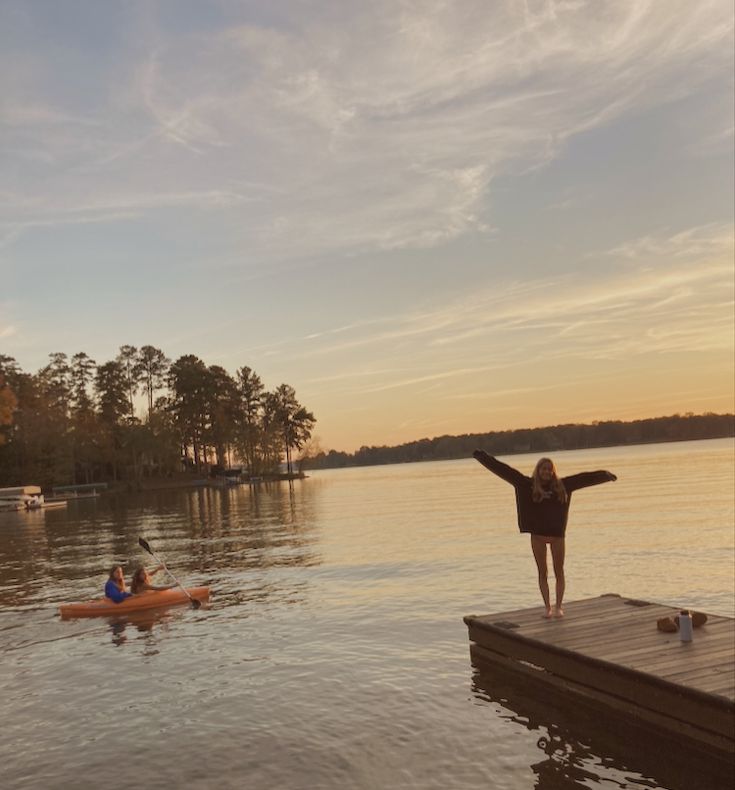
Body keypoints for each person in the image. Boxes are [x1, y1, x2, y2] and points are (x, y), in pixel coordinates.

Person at [473, 450, 617, 619]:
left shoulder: (563, 485)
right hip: (538, 536)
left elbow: (583, 478)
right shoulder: (527, 485)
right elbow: (504, 470)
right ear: (538, 470)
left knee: (559, 572)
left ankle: (559, 607)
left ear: (553, 471)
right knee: (543, 572)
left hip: (557, 536)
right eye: (543, 469)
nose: (546, 472)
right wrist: (482, 457)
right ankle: (547, 608)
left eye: (549, 469)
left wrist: (605, 475)